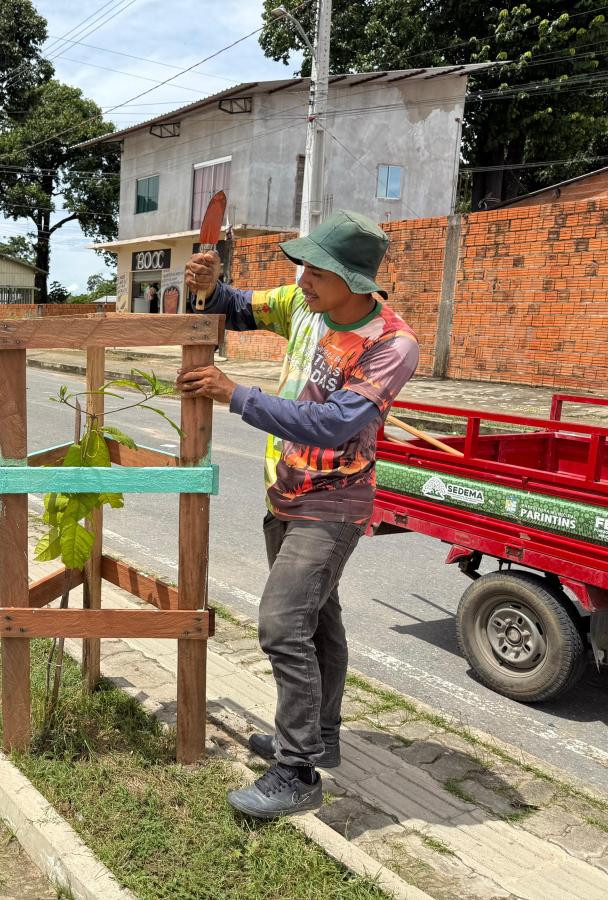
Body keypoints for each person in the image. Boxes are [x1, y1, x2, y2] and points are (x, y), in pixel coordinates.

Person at [177, 210, 419, 819]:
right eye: (305, 264)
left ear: (356, 281)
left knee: (283, 625)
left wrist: (237, 395)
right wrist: (208, 286)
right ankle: (317, 737)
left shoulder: (391, 344)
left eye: (319, 269)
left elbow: (338, 424)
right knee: (318, 623)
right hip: (282, 489)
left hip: (333, 502)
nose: (304, 277)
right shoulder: (303, 305)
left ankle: (296, 771)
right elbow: (237, 307)